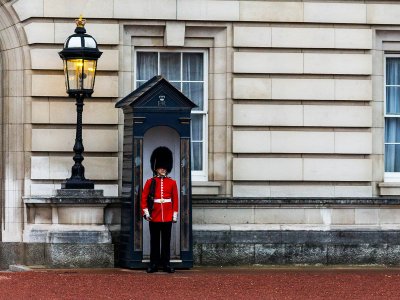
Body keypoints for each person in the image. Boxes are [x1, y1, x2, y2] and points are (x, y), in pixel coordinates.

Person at [141, 146, 178, 273]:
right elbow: (144, 199)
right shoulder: (150, 182)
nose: (162, 169)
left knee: (166, 242)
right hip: (154, 215)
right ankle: (154, 264)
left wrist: (174, 215)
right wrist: (146, 213)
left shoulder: (172, 183)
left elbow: (175, 199)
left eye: (164, 167)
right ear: (156, 168)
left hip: (167, 215)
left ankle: (166, 263)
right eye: (160, 167)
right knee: (154, 241)